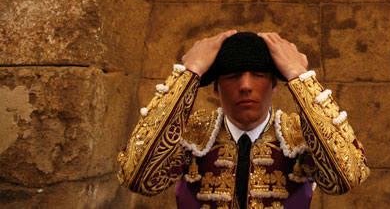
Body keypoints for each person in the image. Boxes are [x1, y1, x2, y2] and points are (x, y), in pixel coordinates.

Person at [118, 30, 369, 209]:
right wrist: (189, 73)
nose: (246, 85)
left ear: (274, 86)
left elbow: (345, 178)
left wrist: (299, 75)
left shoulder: (299, 134)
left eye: (259, 74)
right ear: (216, 88)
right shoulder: (191, 133)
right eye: (233, 76)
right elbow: (139, 179)